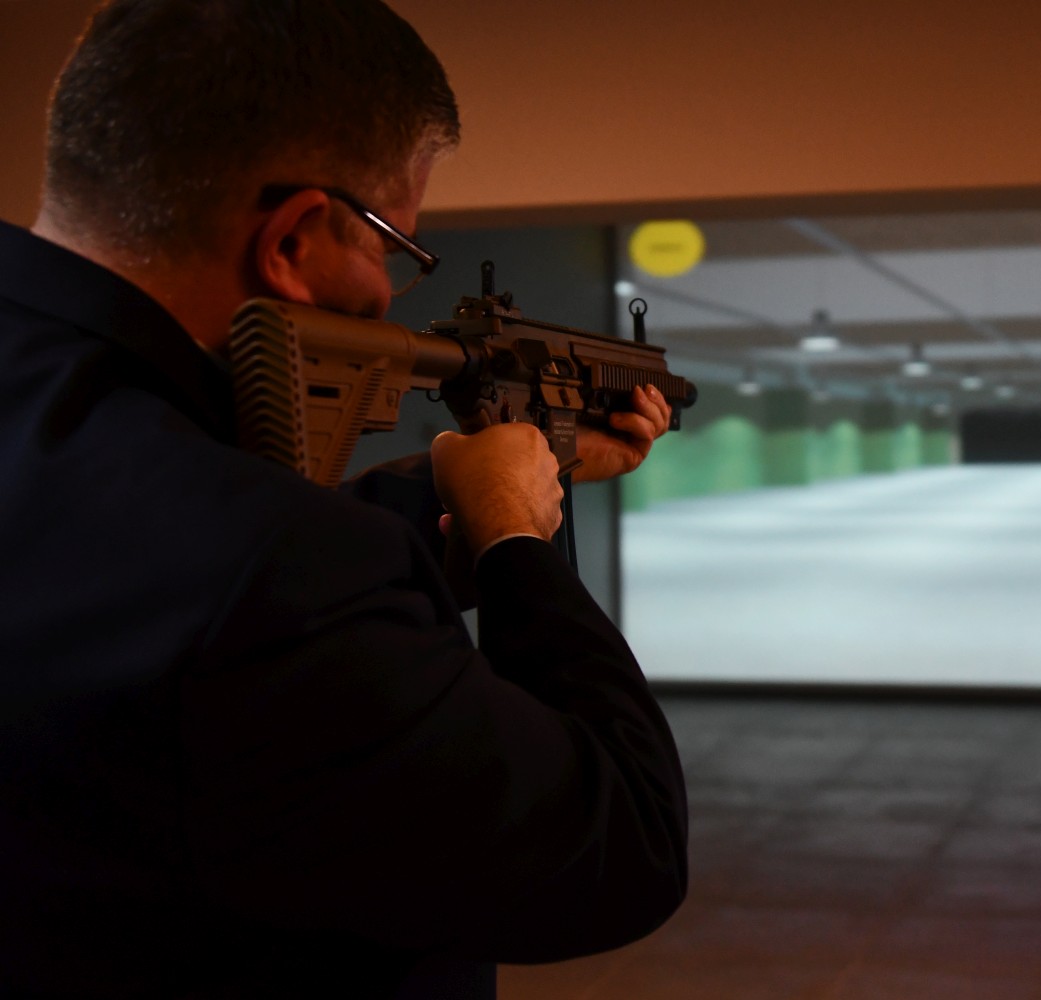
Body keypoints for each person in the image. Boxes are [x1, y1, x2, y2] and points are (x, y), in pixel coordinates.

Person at [0, 1, 688, 996]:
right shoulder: (274, 569)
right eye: (391, 248)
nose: (387, 292)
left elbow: (126, 555)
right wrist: (513, 541)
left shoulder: (103, 446)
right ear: (293, 239)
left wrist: (455, 490)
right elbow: (622, 848)